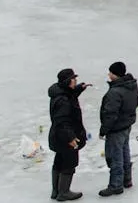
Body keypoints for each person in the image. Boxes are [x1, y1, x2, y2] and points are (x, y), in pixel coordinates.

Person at [98, 61, 138, 196]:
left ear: (115, 74)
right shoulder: (131, 86)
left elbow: (110, 114)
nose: (108, 74)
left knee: (115, 157)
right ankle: (127, 180)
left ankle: (116, 185)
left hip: (116, 128)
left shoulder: (115, 92)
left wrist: (103, 130)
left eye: (110, 72)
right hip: (127, 125)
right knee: (124, 152)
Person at [48, 68, 90, 200]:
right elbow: (62, 121)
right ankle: (64, 192)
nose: (75, 80)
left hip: (58, 137)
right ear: (68, 82)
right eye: (73, 79)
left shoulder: (61, 94)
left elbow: (70, 94)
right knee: (69, 163)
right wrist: (71, 138)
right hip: (66, 137)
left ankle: (56, 191)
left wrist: (80, 88)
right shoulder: (64, 101)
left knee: (59, 161)